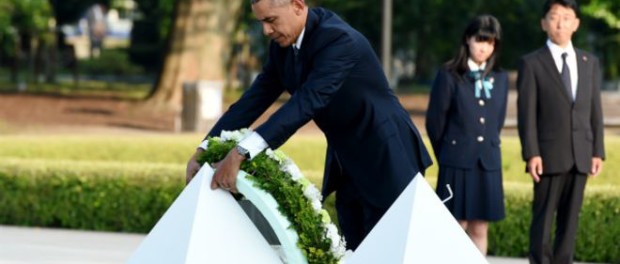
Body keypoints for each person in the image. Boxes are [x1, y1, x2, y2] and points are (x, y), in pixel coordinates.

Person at [185, 0, 432, 250]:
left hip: (389, 155)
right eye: (261, 22)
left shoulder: (339, 40)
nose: (266, 31)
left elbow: (305, 103)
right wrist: (204, 148)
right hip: (346, 164)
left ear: (297, 5)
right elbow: (252, 101)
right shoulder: (282, 47)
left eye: (271, 20)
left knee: (392, 251)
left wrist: (241, 152)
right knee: (356, 251)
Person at [516, 0, 605, 263]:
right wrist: (532, 153)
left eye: (567, 17)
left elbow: (594, 110)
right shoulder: (531, 63)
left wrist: (597, 150)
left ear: (576, 24)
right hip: (547, 155)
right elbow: (526, 114)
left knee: (570, 221)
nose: (560, 23)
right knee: (543, 220)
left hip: (582, 154)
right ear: (543, 23)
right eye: (554, 17)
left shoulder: (590, 62)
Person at [425, 15, 507, 255]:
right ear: (468, 40)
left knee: (480, 228)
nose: (484, 47)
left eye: (490, 43)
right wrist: (449, 154)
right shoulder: (449, 74)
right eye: (480, 40)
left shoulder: (499, 78)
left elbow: (497, 121)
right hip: (456, 162)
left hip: (487, 163)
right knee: (454, 226)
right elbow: (435, 123)